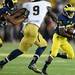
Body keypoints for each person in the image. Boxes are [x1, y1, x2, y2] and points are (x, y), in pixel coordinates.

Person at [0, 0, 58, 72]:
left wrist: (5, 17)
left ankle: (2, 63)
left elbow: (14, 16)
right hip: (33, 29)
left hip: (27, 27)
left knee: (43, 44)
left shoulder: (27, 5)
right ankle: (32, 64)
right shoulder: (46, 4)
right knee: (21, 50)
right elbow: (52, 15)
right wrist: (59, 23)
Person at [41, 4, 75, 75]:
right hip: (58, 38)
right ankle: (44, 69)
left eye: (72, 11)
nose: (72, 13)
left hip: (64, 39)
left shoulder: (73, 17)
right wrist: (72, 36)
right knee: (53, 54)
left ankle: (57, 55)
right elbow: (61, 32)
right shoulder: (61, 18)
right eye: (70, 12)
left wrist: (73, 31)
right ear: (66, 12)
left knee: (71, 56)